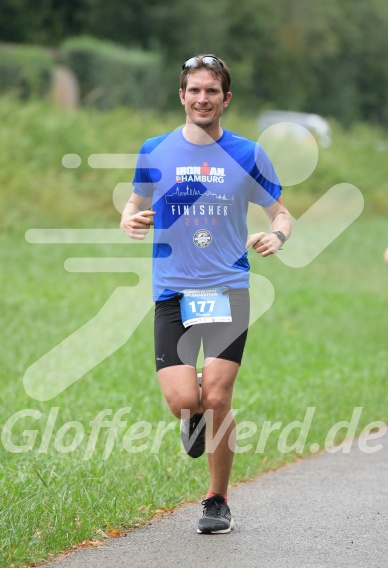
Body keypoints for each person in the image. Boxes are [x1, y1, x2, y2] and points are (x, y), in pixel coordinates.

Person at [120, 54, 292, 534]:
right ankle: (190, 418)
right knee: (183, 401)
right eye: (194, 90)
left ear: (226, 99)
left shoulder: (248, 153)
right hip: (172, 291)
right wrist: (129, 218)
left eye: (211, 91)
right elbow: (133, 204)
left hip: (227, 288)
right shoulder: (154, 150)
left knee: (216, 397)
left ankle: (217, 499)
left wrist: (276, 237)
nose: (202, 98)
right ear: (182, 96)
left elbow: (282, 213)